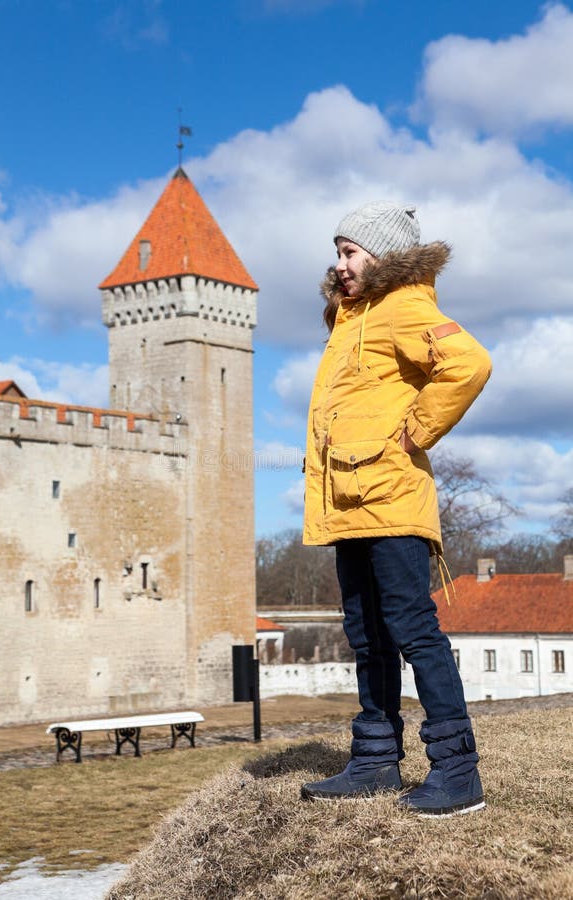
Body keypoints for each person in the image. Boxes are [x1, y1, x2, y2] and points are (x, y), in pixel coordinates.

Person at [300, 201, 492, 816]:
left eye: (350, 251)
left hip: (392, 497)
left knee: (412, 628)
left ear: (382, 255)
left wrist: (414, 432)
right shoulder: (349, 317)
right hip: (349, 502)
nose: (340, 263)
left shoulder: (405, 304)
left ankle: (457, 770)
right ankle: (376, 759)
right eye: (337, 251)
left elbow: (468, 364)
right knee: (366, 634)